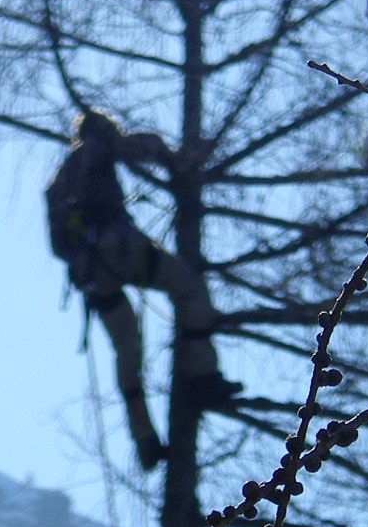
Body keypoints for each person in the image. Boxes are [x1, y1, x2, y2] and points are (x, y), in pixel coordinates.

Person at [46, 110, 241, 470]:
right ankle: (202, 377)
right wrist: (177, 157)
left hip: (91, 275)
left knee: (127, 350)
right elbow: (136, 148)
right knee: (189, 288)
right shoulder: (97, 149)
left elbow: (58, 247)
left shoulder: (59, 181)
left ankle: (145, 440)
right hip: (119, 250)